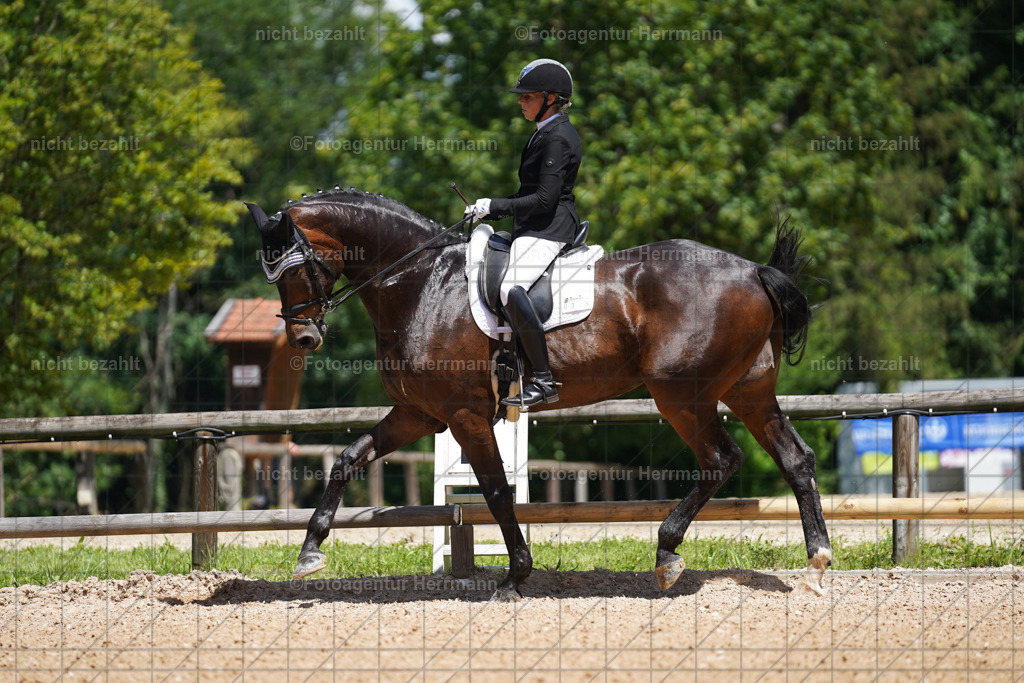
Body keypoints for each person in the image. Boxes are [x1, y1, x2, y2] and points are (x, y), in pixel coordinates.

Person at [465, 58, 582, 408]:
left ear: (551, 98)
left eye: (528, 96)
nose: (520, 101)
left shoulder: (558, 137)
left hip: (550, 227)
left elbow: (545, 199)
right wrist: (489, 209)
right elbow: (528, 192)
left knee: (509, 288)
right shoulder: (543, 131)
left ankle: (543, 379)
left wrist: (495, 206)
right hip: (534, 226)